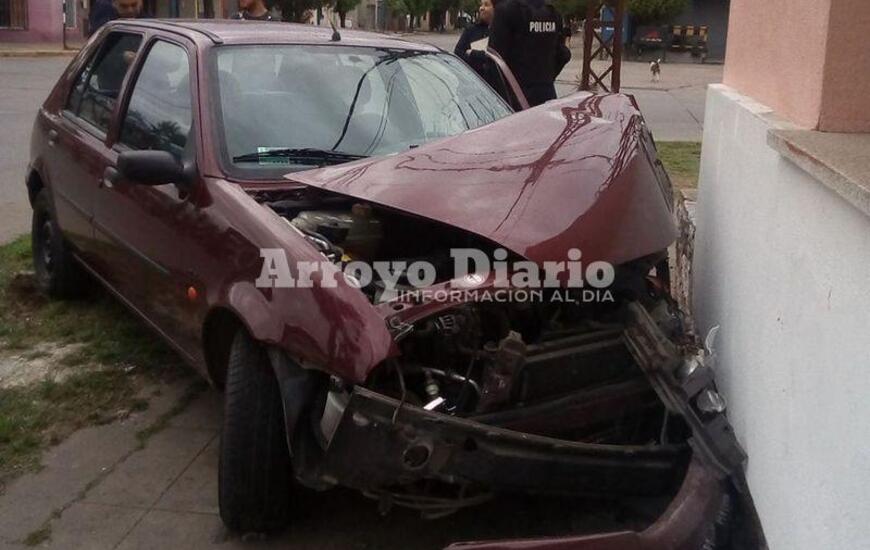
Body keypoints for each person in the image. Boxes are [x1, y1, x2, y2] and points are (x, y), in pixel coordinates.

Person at [489, 0, 571, 107]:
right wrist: (546, 79)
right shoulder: (552, 13)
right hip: (547, 96)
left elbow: (494, 60)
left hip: (514, 99)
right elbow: (563, 55)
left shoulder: (506, 10)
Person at [454, 0, 505, 96]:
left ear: (496, 8)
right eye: (481, 5)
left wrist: (473, 54)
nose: (481, 8)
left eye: (486, 5)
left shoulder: (502, 32)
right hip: (470, 90)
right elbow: (458, 54)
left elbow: (497, 59)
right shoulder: (471, 31)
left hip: (495, 93)